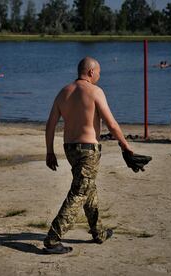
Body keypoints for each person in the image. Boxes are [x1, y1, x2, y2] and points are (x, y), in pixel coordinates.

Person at [43, 57, 134, 254]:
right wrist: (125, 146)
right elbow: (111, 123)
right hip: (88, 150)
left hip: (70, 149)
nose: (100, 76)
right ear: (91, 72)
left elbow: (50, 125)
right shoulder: (95, 92)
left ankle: (98, 232)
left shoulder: (63, 92)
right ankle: (52, 238)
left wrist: (50, 151)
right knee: (79, 192)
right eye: (99, 72)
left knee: (88, 188)